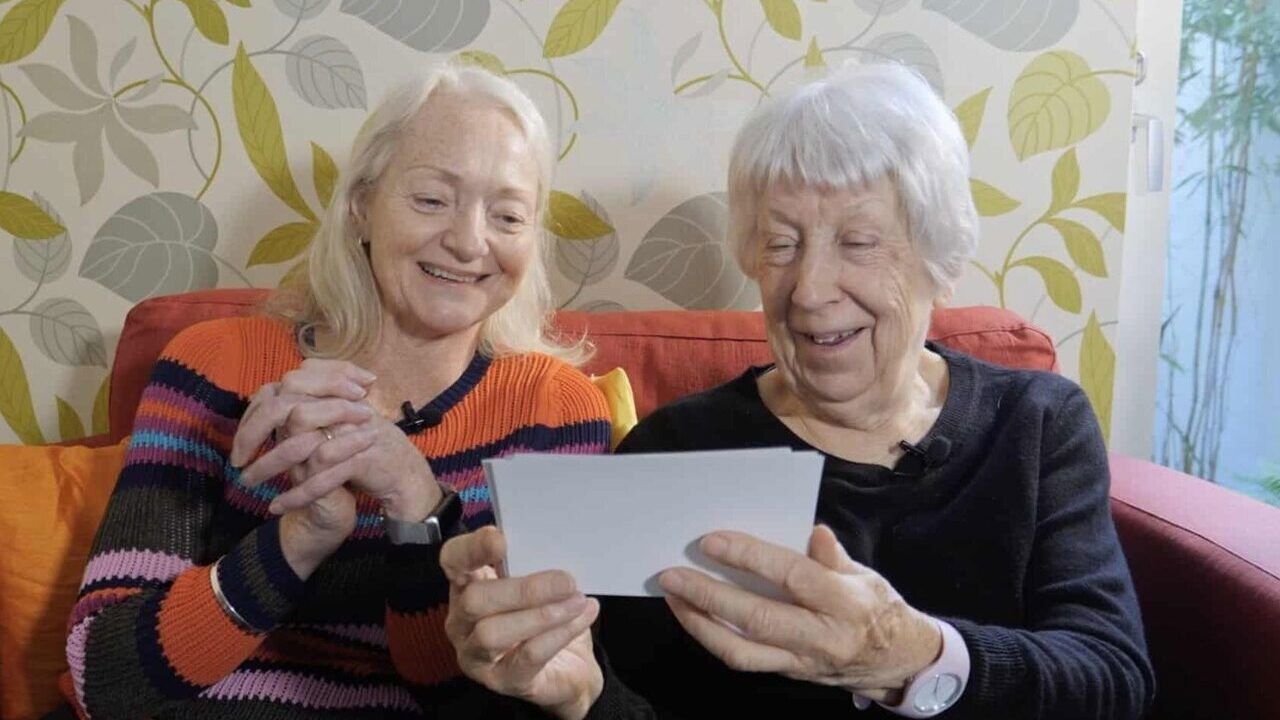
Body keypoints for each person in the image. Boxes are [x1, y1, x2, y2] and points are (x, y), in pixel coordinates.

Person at [439, 62, 1155, 719]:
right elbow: (627, 698)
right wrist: (582, 699)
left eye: (858, 241)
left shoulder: (1037, 423)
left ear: (938, 254)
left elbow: (1112, 679)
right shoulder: (678, 450)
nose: (808, 291)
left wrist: (912, 659)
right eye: (781, 245)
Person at [61, 64, 611, 719]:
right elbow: (107, 680)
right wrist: (300, 535)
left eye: (509, 215)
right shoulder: (215, 365)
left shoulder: (558, 411)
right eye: (432, 200)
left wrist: (418, 505)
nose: (469, 242)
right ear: (360, 208)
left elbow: (489, 696)